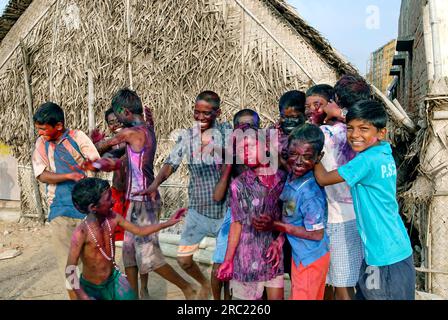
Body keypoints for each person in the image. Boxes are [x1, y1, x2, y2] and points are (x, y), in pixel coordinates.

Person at [87, 88, 195, 299]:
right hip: (137, 201)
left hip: (144, 202)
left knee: (149, 258)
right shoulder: (146, 129)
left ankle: (187, 288)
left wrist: (89, 144)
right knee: (129, 255)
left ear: (125, 112)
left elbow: (99, 147)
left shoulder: (129, 133)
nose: (116, 121)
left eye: (117, 116)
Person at [314, 100, 415, 300]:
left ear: (381, 132)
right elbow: (364, 126)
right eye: (350, 128)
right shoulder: (384, 152)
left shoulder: (365, 161)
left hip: (384, 259)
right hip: (390, 251)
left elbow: (323, 179)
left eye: (363, 129)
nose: (354, 135)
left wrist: (315, 158)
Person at [134, 91, 232, 299]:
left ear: (218, 112)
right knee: (184, 259)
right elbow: (171, 162)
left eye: (206, 113)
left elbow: (241, 157)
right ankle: (203, 284)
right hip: (198, 209)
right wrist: (155, 184)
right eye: (197, 112)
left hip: (226, 210)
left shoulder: (228, 132)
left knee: (223, 267)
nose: (200, 117)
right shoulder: (188, 136)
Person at [66, 177, 186, 300]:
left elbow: (139, 230)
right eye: (108, 199)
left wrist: (167, 223)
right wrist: (82, 295)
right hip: (91, 288)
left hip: (114, 280)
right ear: (93, 207)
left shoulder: (113, 218)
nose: (113, 201)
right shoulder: (81, 233)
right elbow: (69, 269)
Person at [253, 124, 330, 300]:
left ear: (319, 157)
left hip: (311, 258)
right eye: (294, 154)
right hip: (301, 255)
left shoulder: (310, 193)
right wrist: (280, 240)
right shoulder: (293, 176)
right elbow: (292, 217)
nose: (298, 161)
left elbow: (317, 234)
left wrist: (275, 225)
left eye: (307, 157)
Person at [32, 102, 100, 299]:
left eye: (43, 129)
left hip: (87, 211)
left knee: (92, 266)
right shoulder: (41, 144)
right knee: (70, 269)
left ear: (59, 126)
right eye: (38, 128)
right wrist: (69, 176)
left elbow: (95, 164)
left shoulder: (77, 137)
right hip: (59, 212)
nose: (40, 132)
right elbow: (42, 175)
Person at [305, 84, 363, 300]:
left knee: (341, 283)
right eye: (308, 106)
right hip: (357, 213)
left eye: (319, 104)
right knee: (348, 279)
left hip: (338, 217)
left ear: (334, 105)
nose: (312, 110)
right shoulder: (359, 133)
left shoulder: (321, 134)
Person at [216, 128, 286, 301]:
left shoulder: (283, 179)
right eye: (241, 150)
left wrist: (280, 240)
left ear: (266, 145)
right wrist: (228, 260)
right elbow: (236, 224)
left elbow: (290, 217)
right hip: (246, 258)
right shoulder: (238, 185)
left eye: (251, 146)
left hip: (273, 257)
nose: (246, 152)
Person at [211, 109, 261, 300]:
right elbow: (218, 195)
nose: (247, 131)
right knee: (219, 263)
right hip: (234, 214)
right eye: (242, 126)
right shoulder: (229, 155)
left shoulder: (265, 153)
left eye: (252, 126)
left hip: (260, 215)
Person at [91, 108, 128, 242]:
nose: (116, 124)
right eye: (111, 122)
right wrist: (111, 141)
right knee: (114, 235)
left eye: (118, 120)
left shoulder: (135, 136)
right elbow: (93, 150)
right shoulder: (112, 143)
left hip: (135, 194)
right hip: (117, 193)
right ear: (108, 126)